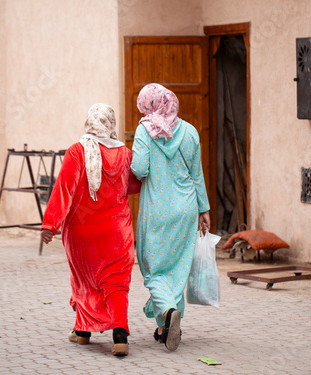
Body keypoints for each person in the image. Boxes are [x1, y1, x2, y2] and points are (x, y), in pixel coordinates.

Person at [41, 103, 141, 356]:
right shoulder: (125, 154)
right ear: (110, 125)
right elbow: (132, 186)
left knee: (85, 280)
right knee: (115, 282)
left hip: (82, 232)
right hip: (118, 231)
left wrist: (50, 225)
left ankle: (83, 332)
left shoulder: (77, 151)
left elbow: (64, 189)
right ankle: (119, 334)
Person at [131, 83, 211, 351]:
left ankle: (167, 311)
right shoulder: (189, 131)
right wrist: (204, 209)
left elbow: (140, 169)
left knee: (153, 269)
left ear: (148, 104)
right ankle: (166, 326)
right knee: (177, 269)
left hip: (156, 212)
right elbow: (197, 173)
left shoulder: (145, 131)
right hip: (186, 208)